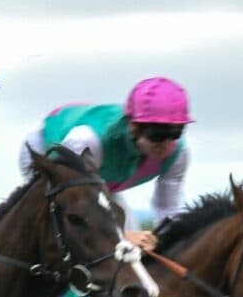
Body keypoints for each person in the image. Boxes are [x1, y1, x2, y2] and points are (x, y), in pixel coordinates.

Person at [20, 77, 192, 250]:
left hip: (97, 176)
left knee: (133, 245)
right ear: (133, 126)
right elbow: (69, 202)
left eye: (176, 132)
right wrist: (121, 237)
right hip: (44, 153)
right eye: (158, 133)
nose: (167, 144)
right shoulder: (88, 141)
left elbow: (169, 209)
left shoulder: (179, 153)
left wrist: (167, 245)